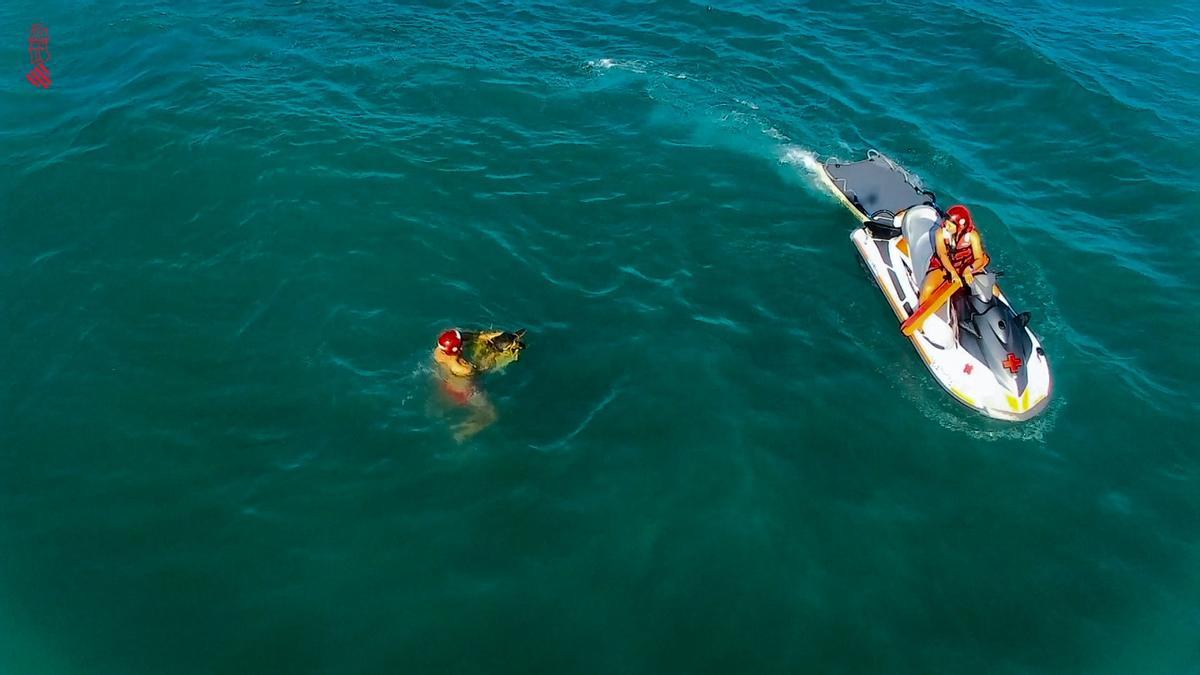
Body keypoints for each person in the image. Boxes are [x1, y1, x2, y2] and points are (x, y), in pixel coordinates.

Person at [433, 328, 496, 441]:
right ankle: (462, 433)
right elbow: (484, 368)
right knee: (490, 415)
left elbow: (461, 337)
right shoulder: (464, 368)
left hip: (446, 384)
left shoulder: (438, 352)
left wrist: (479, 336)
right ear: (459, 348)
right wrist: (493, 354)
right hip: (464, 392)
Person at [918, 204, 988, 305]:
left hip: (966, 266)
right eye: (946, 223)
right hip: (945, 266)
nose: (946, 227)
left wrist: (969, 268)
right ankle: (920, 311)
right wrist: (953, 272)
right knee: (927, 289)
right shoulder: (940, 233)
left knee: (993, 291)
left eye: (950, 225)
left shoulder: (972, 236)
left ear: (961, 226)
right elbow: (942, 254)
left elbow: (979, 258)